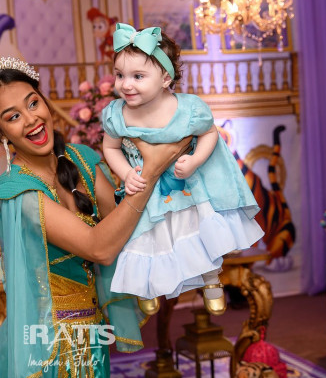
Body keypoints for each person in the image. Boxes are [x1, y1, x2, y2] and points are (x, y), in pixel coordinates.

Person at [0, 57, 190, 377]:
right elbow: (99, 248)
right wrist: (151, 170)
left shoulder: (81, 160)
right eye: (13, 116)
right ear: (0, 133)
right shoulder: (17, 193)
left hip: (92, 334)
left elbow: (125, 225)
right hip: (47, 347)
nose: (31, 119)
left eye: (33, 103)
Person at [102, 23, 264, 316]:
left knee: (197, 233)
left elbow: (210, 133)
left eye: (138, 76)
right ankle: (146, 286)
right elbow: (111, 148)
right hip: (145, 188)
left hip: (185, 187)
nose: (126, 84)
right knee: (148, 236)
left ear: (165, 78)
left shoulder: (189, 109)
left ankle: (211, 281)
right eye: (120, 75)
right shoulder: (117, 114)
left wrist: (196, 160)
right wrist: (126, 173)